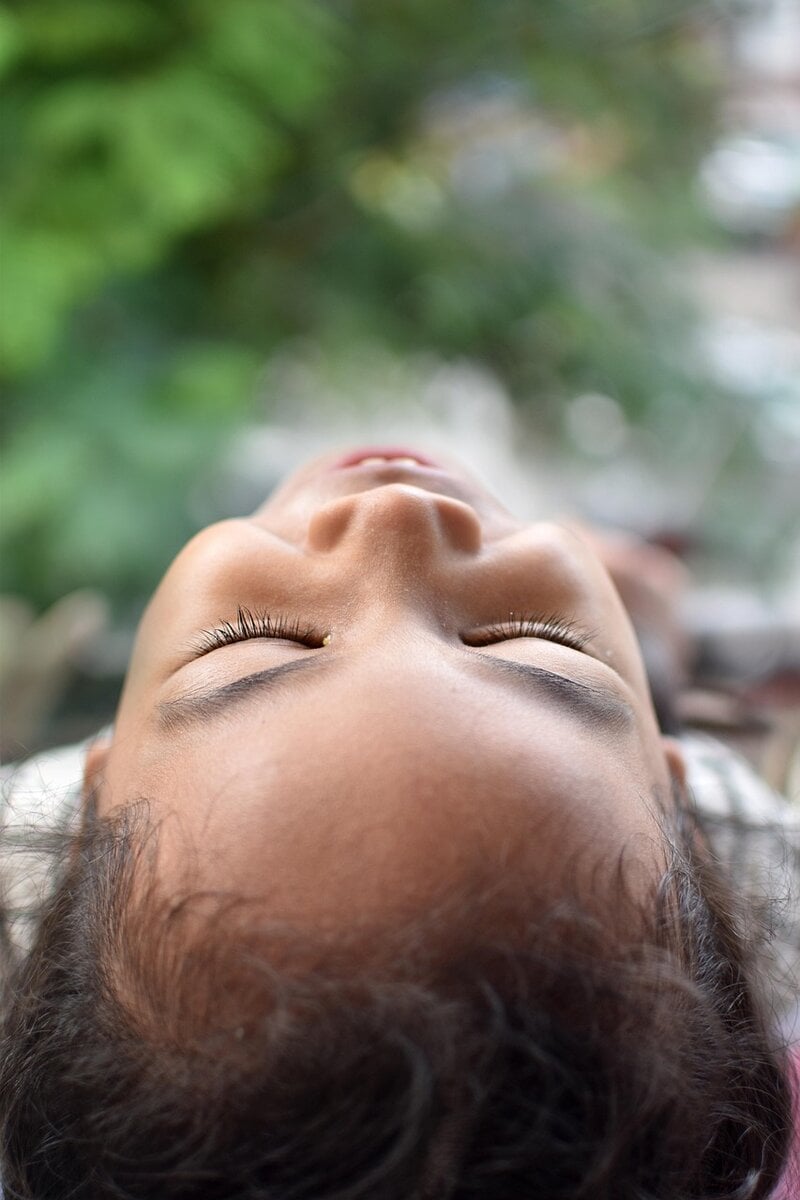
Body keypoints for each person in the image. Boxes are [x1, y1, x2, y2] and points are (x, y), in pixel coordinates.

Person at [0, 445, 797, 1199]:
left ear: (88, 798)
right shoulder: (759, 849)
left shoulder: (30, 832)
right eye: (536, 641)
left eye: (258, 638)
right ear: (685, 803)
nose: (396, 515)